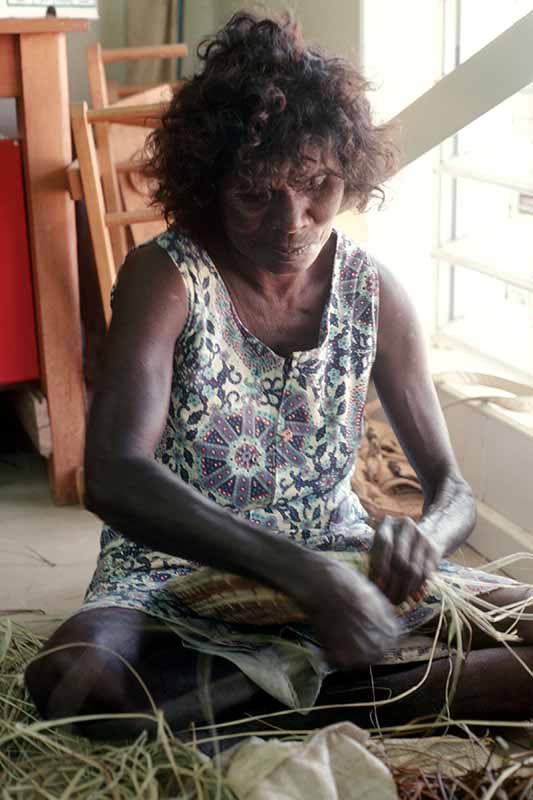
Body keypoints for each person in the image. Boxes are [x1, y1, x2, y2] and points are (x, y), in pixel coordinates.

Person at [26, 11, 533, 740]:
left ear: (348, 174)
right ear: (209, 187)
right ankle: (370, 698)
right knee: (74, 676)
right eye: (255, 193)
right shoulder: (167, 276)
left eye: (316, 185)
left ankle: (285, 703)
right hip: (174, 569)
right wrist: (299, 573)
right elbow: (114, 474)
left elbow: (452, 490)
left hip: (339, 557)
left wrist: (427, 538)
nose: (292, 220)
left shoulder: (374, 291)